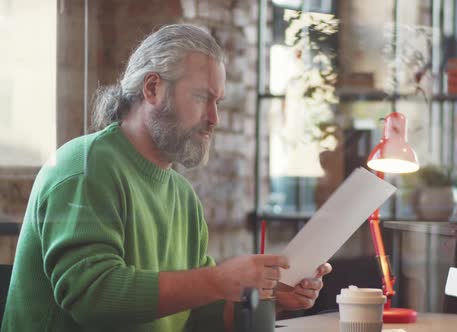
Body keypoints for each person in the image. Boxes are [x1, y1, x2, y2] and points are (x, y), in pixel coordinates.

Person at [1, 24, 332, 332]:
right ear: (152, 88)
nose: (214, 118)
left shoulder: (182, 194)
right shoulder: (84, 167)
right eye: (202, 98)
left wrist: (271, 298)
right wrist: (218, 279)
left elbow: (198, 316)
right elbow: (92, 297)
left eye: (217, 102)